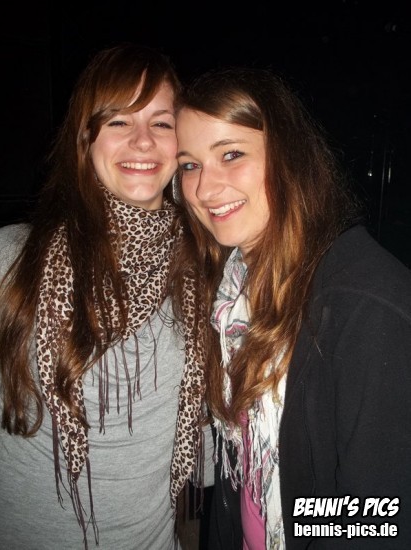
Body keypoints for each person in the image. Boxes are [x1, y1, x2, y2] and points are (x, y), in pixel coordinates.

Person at [172, 66, 411, 549]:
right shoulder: (231, 289)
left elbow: (379, 516)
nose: (204, 189)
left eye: (231, 154)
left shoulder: (364, 305)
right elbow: (237, 477)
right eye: (190, 165)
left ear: (288, 156)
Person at [0, 42, 207, 550]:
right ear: (85, 139)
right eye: (118, 121)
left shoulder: (204, 270)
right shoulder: (11, 260)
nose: (142, 140)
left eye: (161, 123)